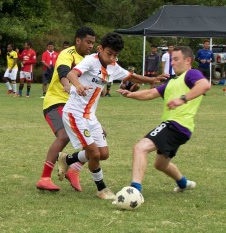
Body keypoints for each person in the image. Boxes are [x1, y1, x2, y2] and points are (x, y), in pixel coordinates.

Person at [57, 32, 167, 199]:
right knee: (94, 154)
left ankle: (68, 160)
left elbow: (132, 76)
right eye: (109, 54)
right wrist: (78, 85)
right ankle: (101, 189)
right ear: (100, 49)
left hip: (90, 117)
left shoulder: (113, 66)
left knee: (104, 154)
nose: (112, 58)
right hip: (74, 113)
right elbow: (72, 73)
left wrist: (152, 80)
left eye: (115, 55)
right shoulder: (91, 61)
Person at [117, 46, 211, 194]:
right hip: (181, 129)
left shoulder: (191, 74)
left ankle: (134, 190)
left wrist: (182, 99)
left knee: (140, 148)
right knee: (160, 164)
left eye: (176, 59)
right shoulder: (173, 82)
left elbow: (205, 85)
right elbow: (150, 93)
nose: (172, 63)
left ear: (188, 61)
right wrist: (130, 94)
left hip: (175, 124)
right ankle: (184, 183)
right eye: (171, 59)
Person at [36, 27, 96, 192]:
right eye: (88, 42)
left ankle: (74, 169)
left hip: (76, 107)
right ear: (78, 40)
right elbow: (64, 71)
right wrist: (67, 85)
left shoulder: (90, 59)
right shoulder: (66, 54)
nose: (91, 46)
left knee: (99, 135)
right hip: (55, 103)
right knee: (63, 135)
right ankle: (45, 178)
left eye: (93, 43)